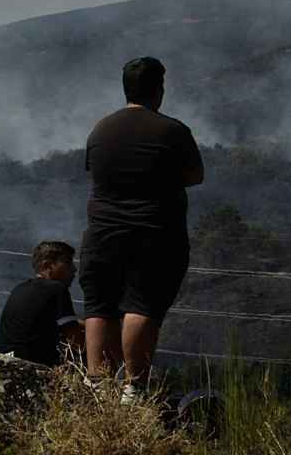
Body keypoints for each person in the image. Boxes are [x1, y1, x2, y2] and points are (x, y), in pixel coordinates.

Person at [80, 56, 204, 398]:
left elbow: (98, 174)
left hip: (102, 232)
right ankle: (133, 389)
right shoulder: (172, 130)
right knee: (142, 305)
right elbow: (195, 176)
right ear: (158, 90)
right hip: (154, 233)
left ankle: (95, 385)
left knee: (99, 306)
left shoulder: (100, 129)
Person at [0, 241, 84, 366]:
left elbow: (49, 321)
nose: (74, 270)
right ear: (48, 265)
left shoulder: (20, 288)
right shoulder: (56, 289)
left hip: (5, 359)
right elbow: (74, 339)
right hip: (31, 363)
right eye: (68, 263)